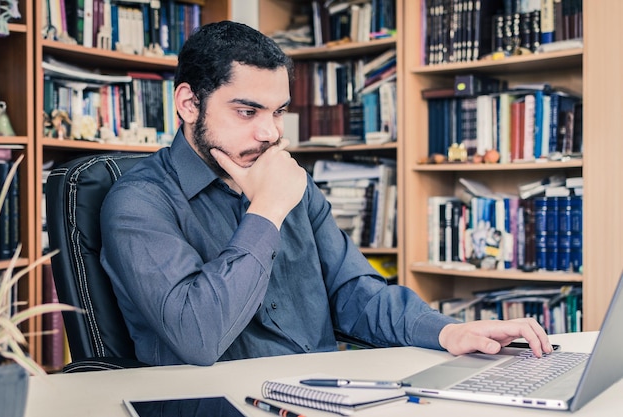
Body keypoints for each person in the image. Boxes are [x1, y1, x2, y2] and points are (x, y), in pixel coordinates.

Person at [100, 21, 553, 367]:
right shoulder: (138, 203)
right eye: (246, 111)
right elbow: (197, 335)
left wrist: (449, 331)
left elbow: (356, 292)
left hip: (321, 393)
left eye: (278, 111)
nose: (270, 132)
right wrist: (267, 211)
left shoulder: (292, 182)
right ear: (188, 104)